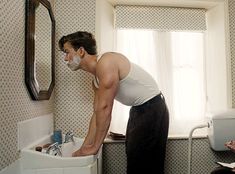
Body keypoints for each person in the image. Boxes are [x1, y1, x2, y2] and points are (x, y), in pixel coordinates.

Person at [59, 31, 169, 174]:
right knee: (134, 159)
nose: (66, 58)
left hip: (152, 107)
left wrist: (95, 146)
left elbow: (105, 109)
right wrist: (85, 147)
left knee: (144, 164)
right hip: (138, 109)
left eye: (67, 52)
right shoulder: (96, 80)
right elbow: (97, 113)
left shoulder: (106, 62)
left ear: (81, 51)